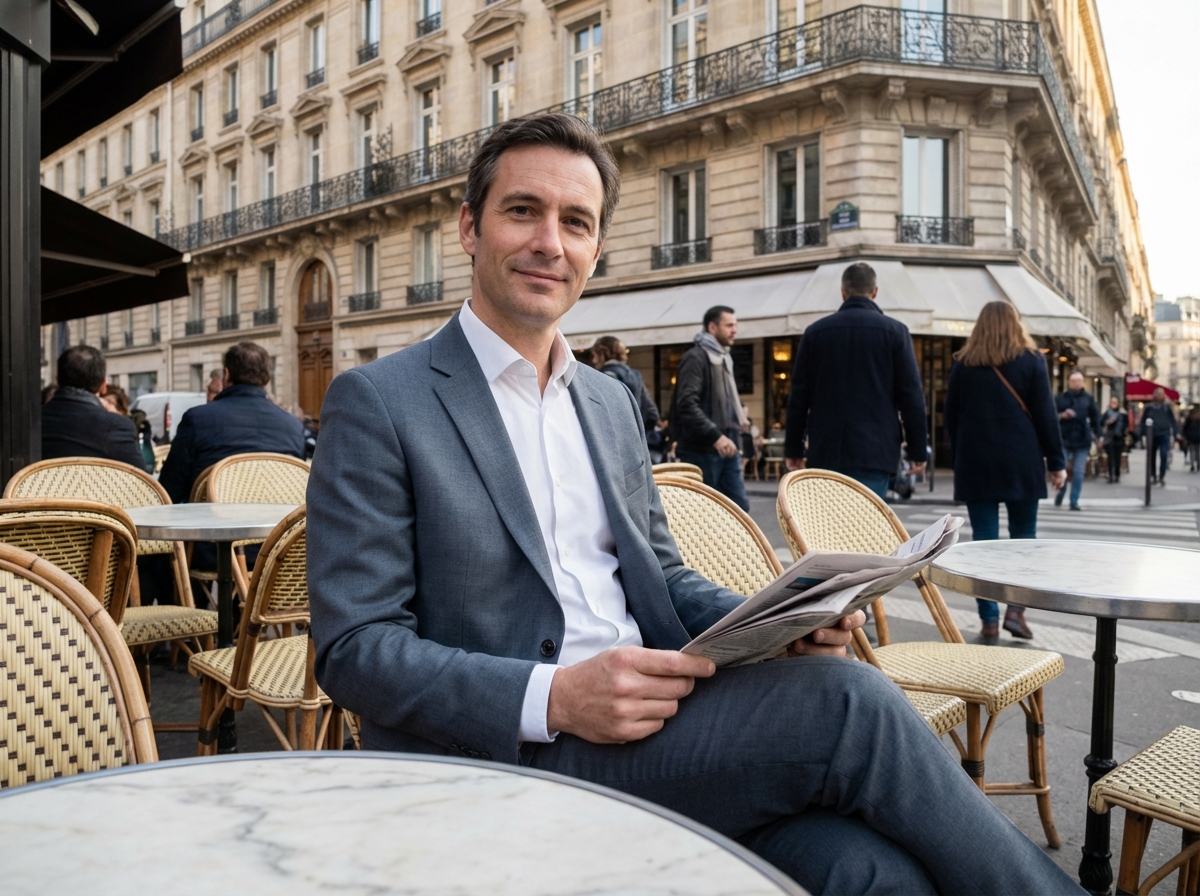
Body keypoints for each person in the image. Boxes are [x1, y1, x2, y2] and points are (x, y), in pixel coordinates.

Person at [306, 113, 1081, 896]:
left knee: (870, 871)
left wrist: (775, 624)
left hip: (660, 732)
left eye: (575, 222)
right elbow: (355, 648)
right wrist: (556, 698)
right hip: (505, 756)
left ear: (596, 250)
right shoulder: (381, 400)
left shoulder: (606, 402)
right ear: (469, 227)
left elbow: (662, 577)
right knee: (848, 705)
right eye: (522, 210)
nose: (550, 242)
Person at [943, 301, 1067, 642]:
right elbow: (1045, 415)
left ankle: (989, 621)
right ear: (1016, 324)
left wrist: (960, 452)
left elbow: (950, 416)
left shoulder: (964, 363)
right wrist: (1056, 463)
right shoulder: (1031, 360)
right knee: (1023, 539)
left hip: (976, 462)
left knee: (983, 544)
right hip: (1021, 460)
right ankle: (1015, 610)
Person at [783, 263, 928, 499]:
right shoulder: (895, 332)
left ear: (843, 291)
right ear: (875, 292)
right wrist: (917, 450)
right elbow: (911, 397)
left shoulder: (815, 333)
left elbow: (799, 397)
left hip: (827, 449)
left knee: (828, 519)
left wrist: (794, 448)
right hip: (876, 450)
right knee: (867, 519)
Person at [159, 341, 306, 506]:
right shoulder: (294, 426)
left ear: (226, 374)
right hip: (277, 522)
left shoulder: (197, 419)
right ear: (267, 380)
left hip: (210, 520)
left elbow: (168, 491)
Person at [669, 306, 751, 510]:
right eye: (729, 325)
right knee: (704, 513)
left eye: (735, 325)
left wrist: (740, 409)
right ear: (712, 327)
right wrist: (716, 436)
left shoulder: (725, 358)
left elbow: (723, 398)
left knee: (739, 510)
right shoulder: (696, 357)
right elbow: (686, 404)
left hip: (728, 444)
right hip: (702, 450)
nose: (734, 330)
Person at [41, 345, 150, 471]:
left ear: (57, 379)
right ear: (103, 386)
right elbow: (140, 479)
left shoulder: (31, 423)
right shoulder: (115, 427)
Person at [590, 335, 662, 462]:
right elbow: (652, 413)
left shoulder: (604, 377)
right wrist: (640, 434)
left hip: (614, 451)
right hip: (637, 449)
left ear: (603, 354)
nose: (593, 361)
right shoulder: (636, 375)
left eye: (595, 355)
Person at [1053, 371, 1099, 510]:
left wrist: (1099, 435)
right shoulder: (1061, 398)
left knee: (1078, 472)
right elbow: (1051, 414)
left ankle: (1074, 501)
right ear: (1069, 382)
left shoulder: (1088, 398)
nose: (1076, 383)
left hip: (1082, 439)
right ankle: (1061, 492)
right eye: (1074, 381)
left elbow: (1095, 418)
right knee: (1062, 470)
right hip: (1064, 438)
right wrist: (1062, 415)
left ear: (1083, 382)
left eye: (1079, 381)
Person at [1139, 387, 1179, 486]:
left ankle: (1161, 476)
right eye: (1157, 394)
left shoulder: (1166, 407)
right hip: (1151, 434)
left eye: (1161, 394)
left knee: (1164, 454)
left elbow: (1173, 421)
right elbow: (1143, 421)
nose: (1159, 396)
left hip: (1164, 433)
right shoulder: (1149, 407)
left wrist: (1176, 433)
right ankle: (1153, 475)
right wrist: (1142, 433)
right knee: (1151, 456)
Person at [1098, 396, 1128, 483]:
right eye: (1112, 402)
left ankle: (1117, 475)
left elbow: (1126, 425)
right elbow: (1100, 423)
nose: (1113, 404)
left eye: (1115, 402)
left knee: (1117, 457)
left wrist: (1122, 432)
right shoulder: (1106, 414)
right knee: (1110, 457)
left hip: (1118, 438)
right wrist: (1107, 422)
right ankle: (1111, 475)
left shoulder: (1122, 414)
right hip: (1109, 437)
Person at [1183, 405, 1200, 473]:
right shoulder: (1190, 420)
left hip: (1192, 437)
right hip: (1194, 438)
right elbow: (1185, 429)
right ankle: (1196, 464)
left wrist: (1185, 436)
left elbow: (1185, 429)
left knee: (1193, 451)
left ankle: (1194, 464)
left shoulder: (1189, 420)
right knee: (1196, 451)